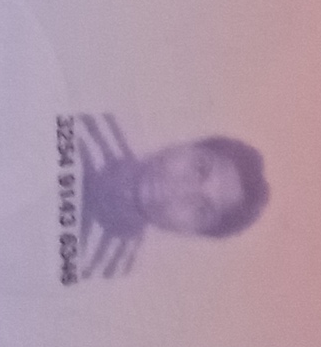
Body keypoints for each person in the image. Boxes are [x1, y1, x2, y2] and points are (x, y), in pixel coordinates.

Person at [69, 114, 269, 279]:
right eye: (200, 168)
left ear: (190, 233)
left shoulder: (107, 263)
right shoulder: (88, 125)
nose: (181, 190)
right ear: (186, 145)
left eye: (201, 209)